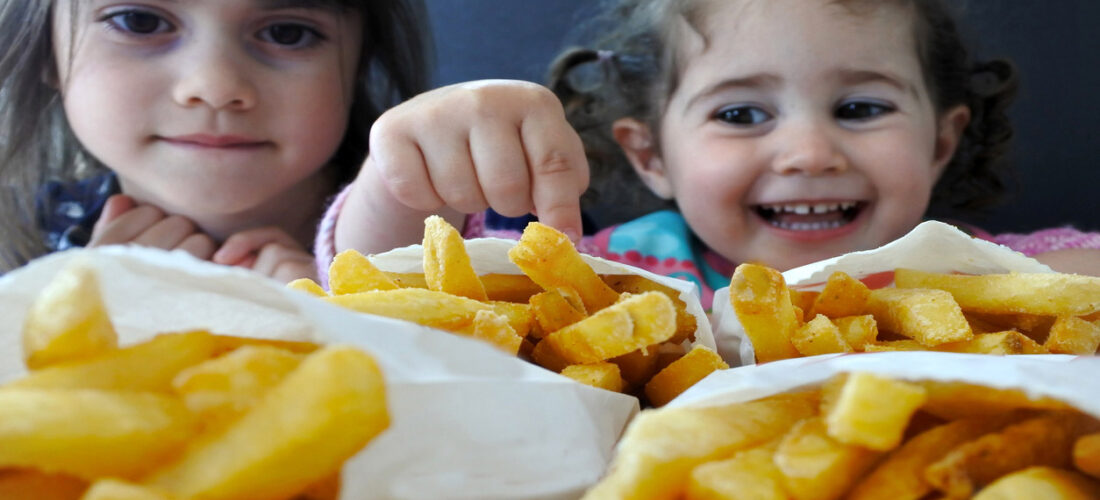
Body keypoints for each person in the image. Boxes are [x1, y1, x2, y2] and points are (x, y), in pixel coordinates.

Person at [320, 0, 1100, 303]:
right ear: (651, 155)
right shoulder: (602, 277)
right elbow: (398, 293)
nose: (806, 151)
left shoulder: (988, 276)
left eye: (860, 108)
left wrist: (1023, 288)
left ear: (940, 141)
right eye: (740, 112)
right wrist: (403, 183)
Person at [0, 0, 430, 283]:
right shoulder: (17, 253)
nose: (215, 85)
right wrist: (63, 322)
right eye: (140, 21)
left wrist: (364, 329)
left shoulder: (450, 236)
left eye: (287, 33)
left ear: (359, 63)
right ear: (45, 52)